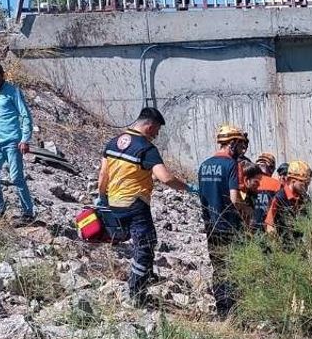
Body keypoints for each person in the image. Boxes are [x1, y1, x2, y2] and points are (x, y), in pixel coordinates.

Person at [98, 108, 191, 305]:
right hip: (135, 204)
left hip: (114, 202)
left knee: (139, 244)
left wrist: (102, 198)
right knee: (145, 246)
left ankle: (145, 275)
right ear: (149, 126)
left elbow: (103, 175)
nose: (156, 135)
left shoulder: (113, 142)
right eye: (157, 130)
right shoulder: (146, 148)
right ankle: (136, 293)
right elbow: (166, 178)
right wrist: (187, 188)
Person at [198, 124, 252, 315]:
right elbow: (235, 199)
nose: (241, 149)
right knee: (235, 267)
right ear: (232, 143)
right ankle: (234, 312)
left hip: (210, 225)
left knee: (219, 267)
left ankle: (222, 310)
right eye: (240, 144)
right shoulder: (231, 165)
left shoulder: (204, 165)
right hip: (230, 225)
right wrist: (248, 210)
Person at [0, 62, 36, 225]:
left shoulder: (13, 92)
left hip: (12, 143)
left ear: (2, 75)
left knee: (16, 178)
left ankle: (28, 213)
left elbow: (25, 116)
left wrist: (25, 139)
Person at [265, 160, 312, 242]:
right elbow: (269, 224)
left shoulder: (304, 198)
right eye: (304, 184)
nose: (306, 188)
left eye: (307, 184)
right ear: (293, 181)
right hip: (283, 244)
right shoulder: (279, 198)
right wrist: (274, 240)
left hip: (298, 243)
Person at [250, 153, 281, 230]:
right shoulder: (277, 184)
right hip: (268, 227)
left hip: (249, 226)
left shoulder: (248, 182)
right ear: (271, 168)